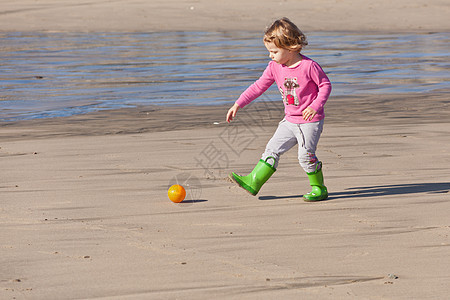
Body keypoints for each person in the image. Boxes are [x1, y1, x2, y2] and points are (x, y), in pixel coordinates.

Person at [226, 17, 332, 201]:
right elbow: (259, 86)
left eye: (274, 51)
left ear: (290, 47)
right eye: (269, 51)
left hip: (309, 122)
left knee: (305, 156)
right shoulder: (274, 67)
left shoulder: (309, 66)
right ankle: (254, 181)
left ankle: (319, 188)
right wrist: (238, 103)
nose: (270, 55)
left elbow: (325, 86)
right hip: (289, 120)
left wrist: (315, 106)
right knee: (271, 150)